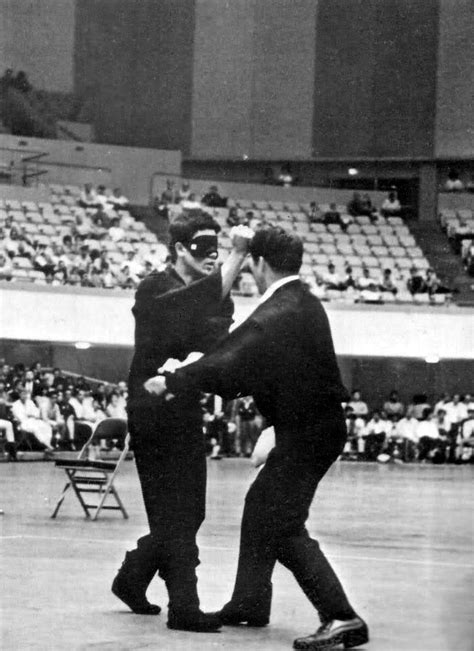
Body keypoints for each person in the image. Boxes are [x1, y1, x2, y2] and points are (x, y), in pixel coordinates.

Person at [146, 225, 368, 649]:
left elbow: (235, 356)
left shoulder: (280, 311)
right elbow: (247, 362)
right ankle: (249, 602)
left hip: (308, 433)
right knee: (261, 506)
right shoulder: (297, 301)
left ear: (258, 263)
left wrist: (175, 378)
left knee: (281, 524)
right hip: (310, 428)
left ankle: (342, 616)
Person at [112, 211, 251, 632]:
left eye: (217, 248)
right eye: (201, 248)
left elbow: (211, 345)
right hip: (151, 409)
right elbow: (182, 318)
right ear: (177, 249)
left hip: (186, 404)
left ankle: (132, 577)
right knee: (172, 513)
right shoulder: (153, 288)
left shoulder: (218, 297)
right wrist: (236, 256)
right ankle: (184, 607)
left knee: (191, 512)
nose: (212, 256)